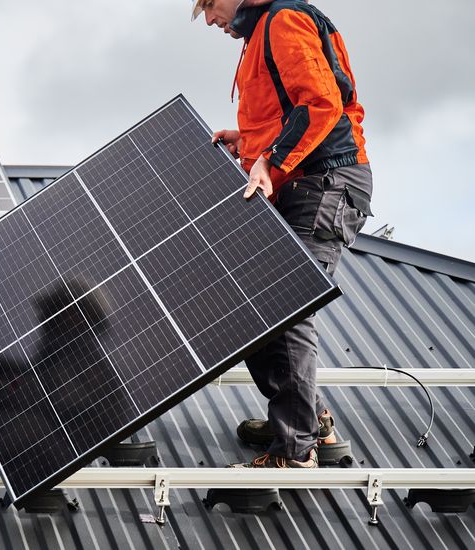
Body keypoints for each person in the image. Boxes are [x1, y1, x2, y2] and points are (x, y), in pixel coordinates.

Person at [191, 0, 374, 468]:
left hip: (324, 183)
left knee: (285, 306)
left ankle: (295, 449)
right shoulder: (262, 34)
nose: (209, 19)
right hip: (303, 181)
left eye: (209, 4)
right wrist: (248, 141)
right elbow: (287, 111)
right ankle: (310, 423)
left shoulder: (283, 20)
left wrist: (270, 158)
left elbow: (320, 101)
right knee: (254, 310)